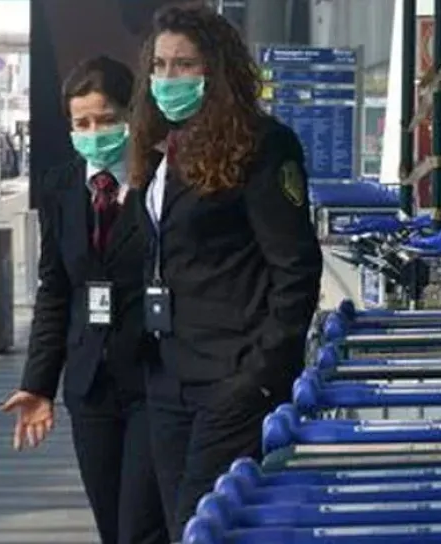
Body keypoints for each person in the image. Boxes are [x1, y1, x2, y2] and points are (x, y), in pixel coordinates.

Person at [126, 5, 324, 537]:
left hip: (233, 378)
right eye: (160, 65)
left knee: (205, 526)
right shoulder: (161, 149)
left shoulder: (262, 145)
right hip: (169, 376)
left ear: (215, 69)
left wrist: (258, 376)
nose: (168, 77)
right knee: (177, 527)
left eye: (184, 64)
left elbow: (296, 268)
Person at [0, 55, 169, 544]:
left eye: (107, 119)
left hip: (153, 375)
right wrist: (38, 384)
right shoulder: (60, 186)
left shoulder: (161, 180)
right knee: (112, 526)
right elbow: (55, 290)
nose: (95, 132)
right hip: (90, 382)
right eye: (83, 123)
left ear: (132, 116)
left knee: (142, 527)